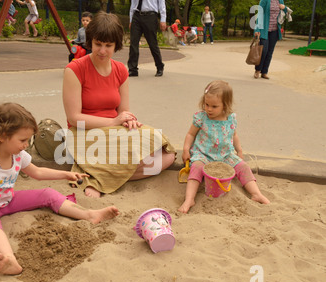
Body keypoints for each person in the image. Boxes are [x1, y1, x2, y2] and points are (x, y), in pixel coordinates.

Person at [0, 103, 120, 275]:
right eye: (22, 140)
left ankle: (89, 215)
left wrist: (65, 174)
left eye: (28, 140)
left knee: (47, 194)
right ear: (2, 136)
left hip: (8, 200)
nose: (26, 145)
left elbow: (37, 172)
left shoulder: (18, 155)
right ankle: (9, 258)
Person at [62, 12, 176, 198]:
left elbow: (123, 111)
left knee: (167, 155)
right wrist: (114, 122)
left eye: (108, 46)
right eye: (98, 44)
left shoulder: (120, 70)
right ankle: (100, 178)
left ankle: (100, 176)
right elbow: (74, 118)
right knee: (133, 156)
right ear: (90, 41)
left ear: (116, 45)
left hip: (115, 130)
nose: (102, 51)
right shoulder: (74, 69)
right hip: (85, 131)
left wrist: (128, 121)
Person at [178, 80, 270, 213]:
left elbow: (234, 135)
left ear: (225, 106)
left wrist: (239, 150)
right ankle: (189, 199)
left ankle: (256, 193)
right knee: (196, 168)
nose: (209, 109)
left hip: (225, 154)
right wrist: (186, 149)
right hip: (203, 154)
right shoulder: (201, 117)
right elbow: (190, 134)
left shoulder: (230, 119)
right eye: (206, 104)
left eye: (214, 106)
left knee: (243, 166)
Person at [128, 0, 167, 77]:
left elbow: (162, 3)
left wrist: (163, 19)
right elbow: (133, 4)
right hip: (136, 16)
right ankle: (133, 69)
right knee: (133, 43)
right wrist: (131, 20)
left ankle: (159, 67)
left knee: (153, 44)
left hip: (150, 16)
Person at [254, 0, 287, 79]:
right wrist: (257, 29)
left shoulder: (280, 0)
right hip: (264, 30)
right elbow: (260, 14)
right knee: (263, 50)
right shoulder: (264, 0)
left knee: (270, 52)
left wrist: (284, 8)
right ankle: (257, 70)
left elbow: (285, 13)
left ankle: (264, 72)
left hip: (275, 30)